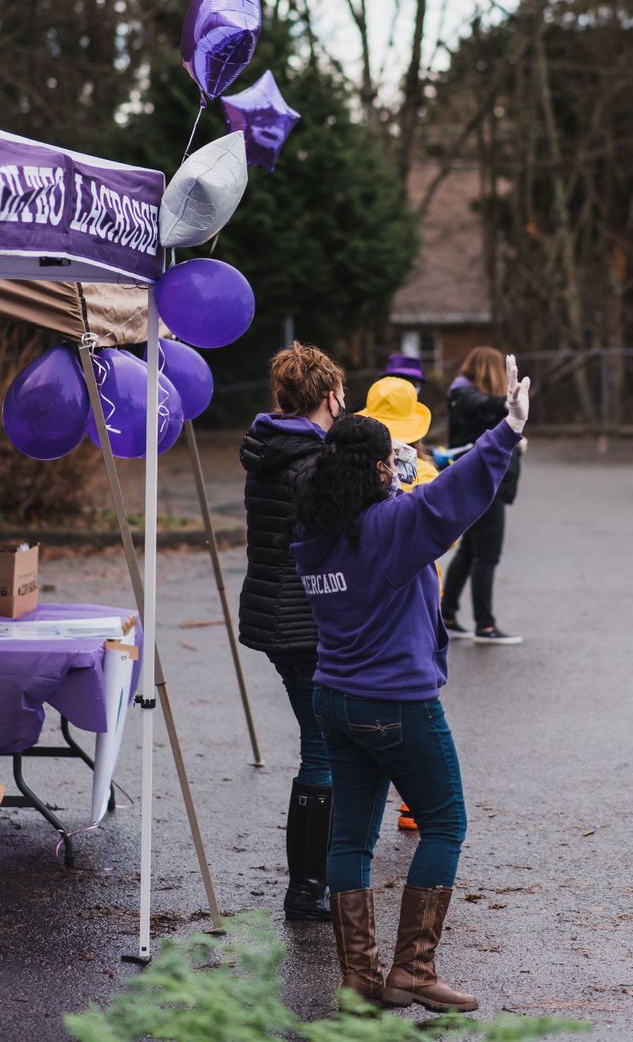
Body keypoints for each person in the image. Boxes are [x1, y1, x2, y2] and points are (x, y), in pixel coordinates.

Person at [292, 356, 531, 1011]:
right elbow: (447, 499)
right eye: (388, 462)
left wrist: (389, 481)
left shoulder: (313, 535)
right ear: (376, 468)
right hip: (395, 702)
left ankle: (360, 979)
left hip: (333, 699)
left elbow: (413, 504)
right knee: (446, 824)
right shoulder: (387, 530)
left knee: (350, 842)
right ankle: (413, 971)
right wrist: (506, 431)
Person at [237, 341, 347, 922]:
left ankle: (314, 880)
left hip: (273, 616)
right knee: (321, 749)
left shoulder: (269, 450)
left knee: (318, 742)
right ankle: (308, 889)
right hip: (305, 620)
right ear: (329, 396)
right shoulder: (311, 462)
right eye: (341, 394)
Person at [358, 375, 440, 832]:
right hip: (420, 597)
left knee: (372, 688)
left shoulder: (354, 470)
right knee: (416, 691)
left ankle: (371, 786)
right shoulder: (425, 473)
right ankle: (413, 800)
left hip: (366, 591)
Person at [441, 346, 524, 644]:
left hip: (476, 481)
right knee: (486, 555)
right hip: (486, 484)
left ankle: (447, 616)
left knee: (468, 552)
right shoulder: (466, 397)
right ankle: (485, 626)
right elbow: (487, 407)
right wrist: (512, 403)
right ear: (491, 370)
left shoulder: (460, 395)